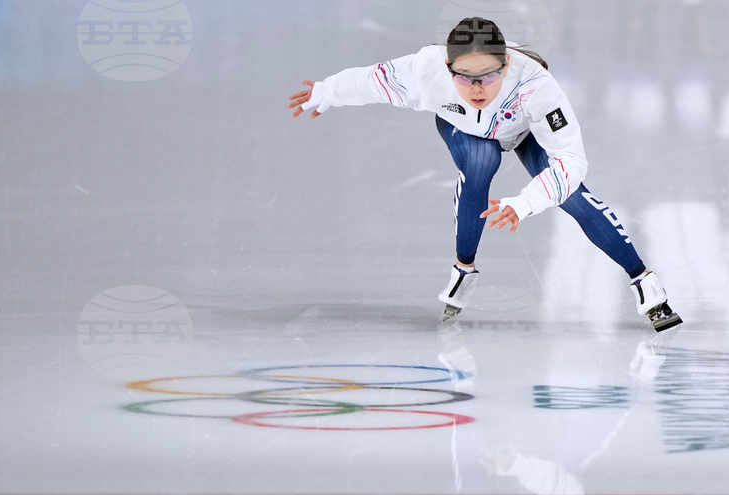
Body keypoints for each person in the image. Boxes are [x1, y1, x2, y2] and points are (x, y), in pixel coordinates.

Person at [288, 17, 682, 332]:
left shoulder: (536, 86)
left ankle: (643, 279)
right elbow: (371, 80)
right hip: (466, 131)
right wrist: (324, 92)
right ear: (447, 67)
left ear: (506, 64)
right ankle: (464, 268)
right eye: (464, 77)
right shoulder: (424, 70)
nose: (477, 89)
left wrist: (525, 202)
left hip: (525, 129)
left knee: (572, 195)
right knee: (480, 165)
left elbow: (570, 162)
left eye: (488, 76)